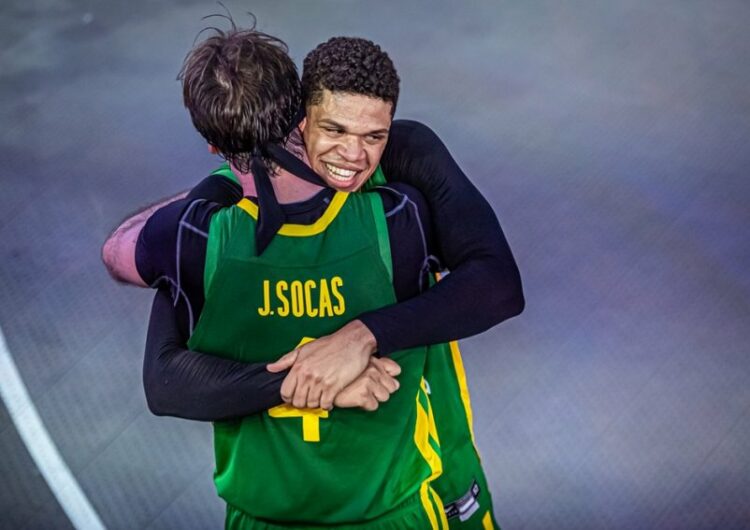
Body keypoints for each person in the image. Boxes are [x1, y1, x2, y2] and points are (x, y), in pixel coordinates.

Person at [103, 29, 523, 530]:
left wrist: (358, 337)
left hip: (394, 483)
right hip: (401, 493)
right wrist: (316, 377)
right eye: (337, 132)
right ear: (299, 118)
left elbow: (121, 257)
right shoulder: (400, 213)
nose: (354, 156)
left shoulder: (193, 237)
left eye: (374, 136)